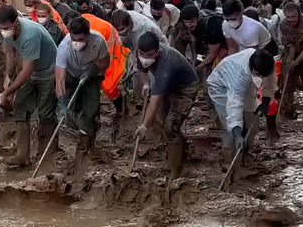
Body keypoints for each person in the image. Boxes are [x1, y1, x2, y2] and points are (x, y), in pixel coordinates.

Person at [0, 5, 58, 166]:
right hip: (29, 69)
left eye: (7, 28)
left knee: (45, 112)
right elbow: (9, 52)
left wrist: (7, 91)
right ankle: (22, 154)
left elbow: (27, 71)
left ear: (16, 23)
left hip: (48, 71)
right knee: (20, 106)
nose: (4, 32)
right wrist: (8, 74)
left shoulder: (30, 34)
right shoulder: (5, 31)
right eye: (1, 28)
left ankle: (48, 154)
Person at [134, 32, 198, 179]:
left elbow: (154, 101)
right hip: (165, 84)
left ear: (157, 51)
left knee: (171, 126)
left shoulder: (166, 64)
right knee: (163, 121)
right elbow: (142, 71)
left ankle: (175, 170)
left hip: (185, 86)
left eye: (150, 55)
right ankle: (181, 152)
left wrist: (144, 126)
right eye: (142, 54)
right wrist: (146, 84)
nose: (145, 58)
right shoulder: (140, 53)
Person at [55, 16, 110, 173]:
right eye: (74, 38)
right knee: (72, 114)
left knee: (90, 109)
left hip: (91, 73)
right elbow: (59, 79)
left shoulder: (98, 41)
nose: (76, 42)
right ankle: (81, 125)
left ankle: (85, 148)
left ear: (87, 35)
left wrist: (93, 70)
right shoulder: (64, 47)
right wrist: (62, 103)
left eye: (80, 39)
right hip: (71, 73)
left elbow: (105, 61)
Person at [207, 49, 276, 161]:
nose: (263, 78)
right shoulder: (239, 73)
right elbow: (234, 104)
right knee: (230, 127)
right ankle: (229, 159)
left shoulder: (266, 62)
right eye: (260, 75)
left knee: (250, 122)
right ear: (253, 69)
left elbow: (269, 83)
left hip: (248, 81)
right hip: (221, 86)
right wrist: (238, 133)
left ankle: (246, 152)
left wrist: (265, 103)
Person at [62, 10, 128, 117]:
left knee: (108, 85)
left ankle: (121, 109)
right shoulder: (79, 25)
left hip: (112, 50)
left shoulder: (92, 33)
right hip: (102, 47)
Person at [278, 2, 303, 117]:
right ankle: (287, 110)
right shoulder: (283, 25)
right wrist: (290, 61)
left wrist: (297, 61)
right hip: (291, 52)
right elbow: (289, 44)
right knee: (288, 82)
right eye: (288, 17)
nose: (291, 20)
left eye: (294, 16)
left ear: (299, 14)